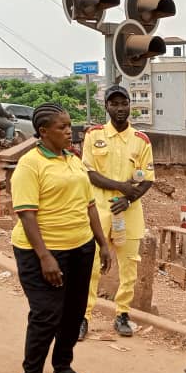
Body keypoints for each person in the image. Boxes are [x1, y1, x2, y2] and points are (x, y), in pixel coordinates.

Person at [9, 103, 114, 373]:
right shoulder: (30, 165)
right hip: (41, 251)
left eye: (70, 125)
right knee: (45, 314)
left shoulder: (74, 159)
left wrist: (102, 243)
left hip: (80, 247)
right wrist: (45, 258)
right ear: (43, 132)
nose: (70, 131)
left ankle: (62, 365)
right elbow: (27, 214)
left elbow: (90, 204)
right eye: (63, 127)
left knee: (73, 310)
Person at [79, 85, 155, 339]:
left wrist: (127, 199)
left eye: (124, 103)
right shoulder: (93, 135)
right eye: (114, 104)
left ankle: (122, 314)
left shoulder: (141, 140)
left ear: (130, 105)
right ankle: (84, 316)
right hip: (99, 208)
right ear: (106, 107)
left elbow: (148, 179)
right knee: (90, 265)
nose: (120, 108)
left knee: (129, 265)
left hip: (129, 211)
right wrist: (120, 187)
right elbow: (89, 172)